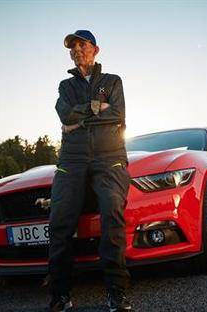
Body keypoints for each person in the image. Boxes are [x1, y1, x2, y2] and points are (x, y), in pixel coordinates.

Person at [48, 30, 132, 312]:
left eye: (82, 45)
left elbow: (117, 114)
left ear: (95, 49)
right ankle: (61, 294)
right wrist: (96, 111)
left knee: (111, 212)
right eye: (72, 47)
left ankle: (117, 293)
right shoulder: (65, 86)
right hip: (71, 158)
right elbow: (64, 115)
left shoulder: (113, 81)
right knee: (60, 221)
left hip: (110, 157)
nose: (76, 50)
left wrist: (79, 119)